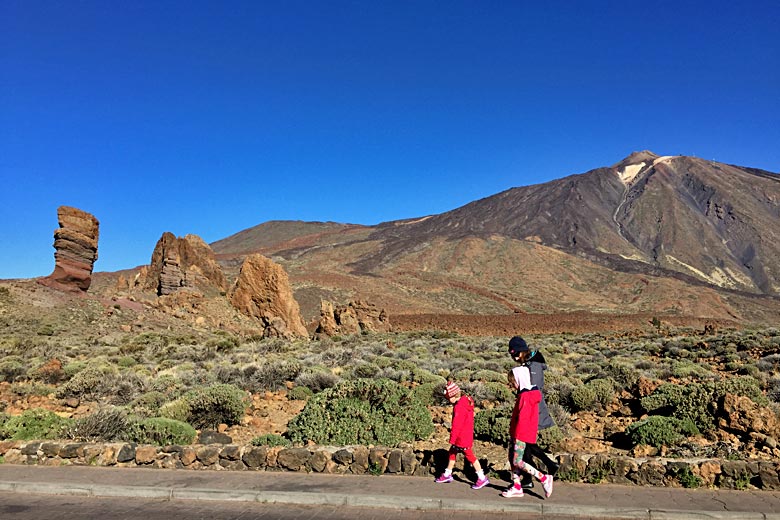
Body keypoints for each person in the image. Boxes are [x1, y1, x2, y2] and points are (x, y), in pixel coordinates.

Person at [508, 335, 559, 489]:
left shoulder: (534, 365)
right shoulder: (529, 363)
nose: (515, 358)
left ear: (523, 351)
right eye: (513, 355)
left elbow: (533, 387)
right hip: (530, 406)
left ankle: (548, 467)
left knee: (527, 443)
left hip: (533, 408)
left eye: (517, 354)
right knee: (528, 445)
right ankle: (529, 478)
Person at [503, 366, 554, 498]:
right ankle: (516, 486)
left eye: (513, 382)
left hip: (521, 433)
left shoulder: (526, 396)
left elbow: (524, 419)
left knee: (517, 461)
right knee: (512, 459)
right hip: (517, 433)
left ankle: (543, 478)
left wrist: (518, 435)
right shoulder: (525, 395)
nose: (512, 385)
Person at [434, 381, 490, 489]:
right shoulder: (466, 401)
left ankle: (481, 477)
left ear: (453, 395)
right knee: (452, 451)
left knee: (469, 455)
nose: (448, 400)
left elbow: (456, 425)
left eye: (448, 398)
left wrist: (453, 438)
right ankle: (447, 473)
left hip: (461, 436)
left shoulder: (459, 407)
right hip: (465, 434)